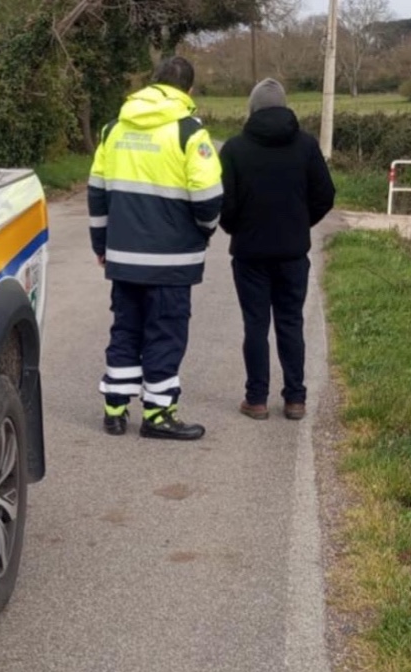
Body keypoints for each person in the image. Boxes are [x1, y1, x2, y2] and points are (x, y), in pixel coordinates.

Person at [88, 56, 223, 440]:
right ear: (189, 91)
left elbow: (97, 195)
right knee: (165, 332)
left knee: (125, 328)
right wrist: (203, 232)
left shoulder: (113, 129)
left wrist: (102, 244)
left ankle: (115, 410)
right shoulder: (189, 133)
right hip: (172, 259)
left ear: (151, 83)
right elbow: (209, 197)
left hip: (124, 256)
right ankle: (159, 415)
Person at [217, 78, 335, 421]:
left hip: (250, 253)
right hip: (292, 253)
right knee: (290, 323)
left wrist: (236, 228)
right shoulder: (306, 146)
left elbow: (225, 204)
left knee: (255, 325)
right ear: (285, 107)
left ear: (252, 109)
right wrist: (301, 224)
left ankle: (256, 399)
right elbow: (324, 196)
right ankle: (295, 399)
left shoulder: (235, 149)